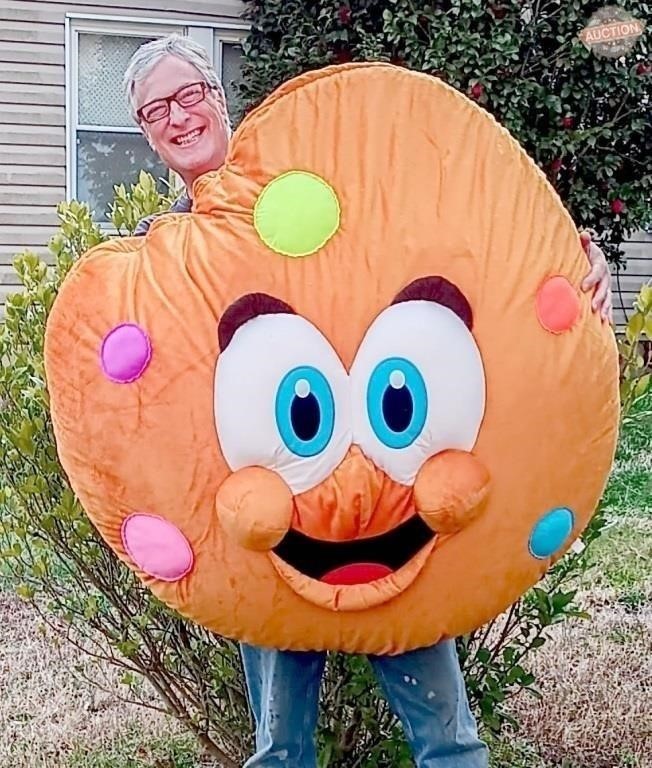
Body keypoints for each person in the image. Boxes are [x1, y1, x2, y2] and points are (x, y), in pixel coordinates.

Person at [123, 34, 614, 768]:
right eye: (155, 109)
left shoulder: (312, 172)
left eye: (188, 94)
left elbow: (440, 230)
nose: (178, 116)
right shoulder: (162, 253)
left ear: (219, 99)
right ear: (144, 131)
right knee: (280, 750)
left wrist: (572, 256)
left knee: (448, 743)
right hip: (278, 527)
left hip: (396, 492)